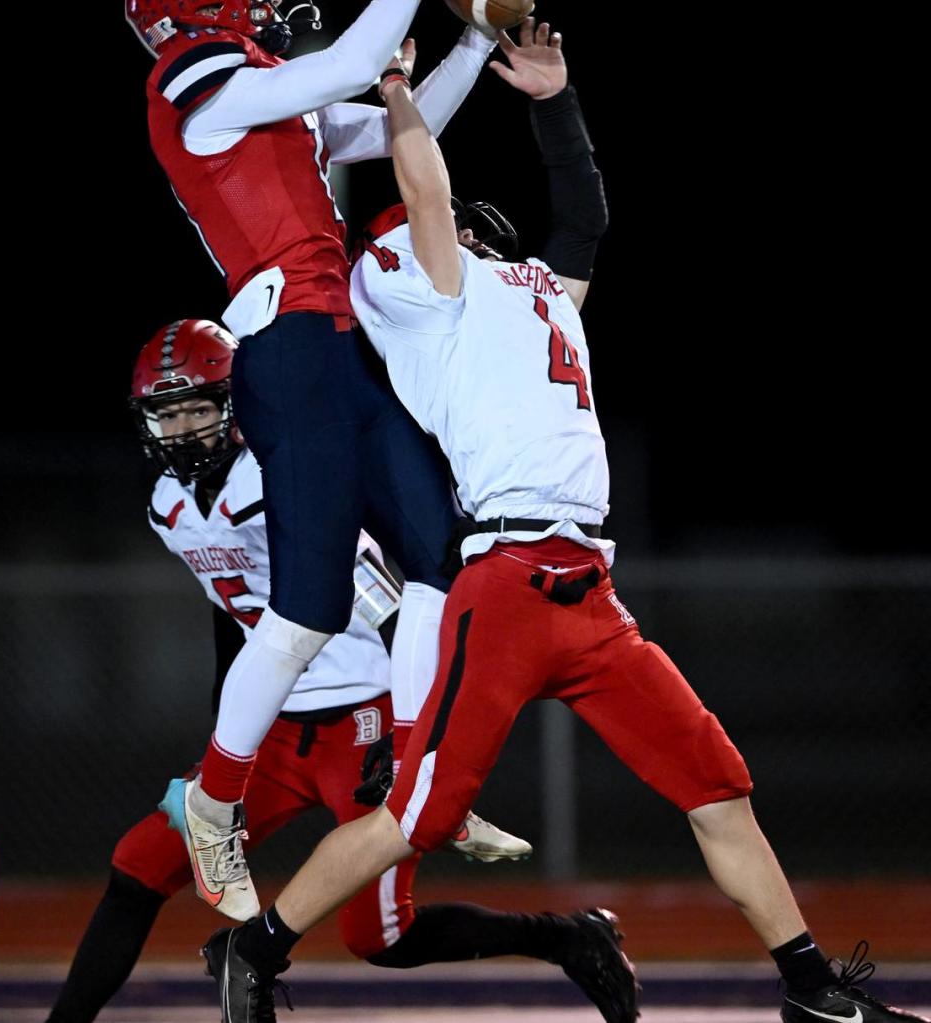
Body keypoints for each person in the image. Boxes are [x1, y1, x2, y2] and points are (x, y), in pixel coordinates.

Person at [200, 19, 928, 1023]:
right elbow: (427, 195)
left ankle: (810, 988)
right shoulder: (435, 292)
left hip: (590, 592)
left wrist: (555, 101)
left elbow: (580, 222)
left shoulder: (526, 290)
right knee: (421, 813)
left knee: (716, 783)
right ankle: (258, 947)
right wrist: (402, 89)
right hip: (500, 582)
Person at [124, 0, 536, 916]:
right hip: (287, 356)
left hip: (341, 338)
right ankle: (215, 801)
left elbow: (407, 121)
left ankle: (413, 770)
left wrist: (477, 37)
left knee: (443, 550)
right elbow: (350, 54)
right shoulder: (197, 91)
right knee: (305, 608)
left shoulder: (263, 98)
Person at [46, 318, 621, 1023]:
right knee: (139, 865)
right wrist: (225, 742)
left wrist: (408, 731)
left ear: (234, 404)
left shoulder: (282, 475)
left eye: (200, 406)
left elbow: (387, 600)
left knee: (379, 935)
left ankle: (566, 937)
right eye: (169, 412)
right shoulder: (167, 506)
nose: (185, 427)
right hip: (280, 733)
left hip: (365, 717)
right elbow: (234, 622)